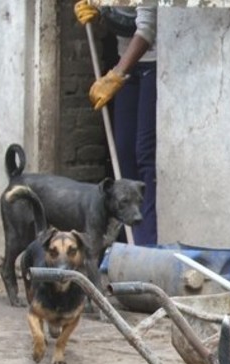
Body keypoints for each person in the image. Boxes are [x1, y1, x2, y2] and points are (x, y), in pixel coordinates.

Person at [74, 0, 158, 246]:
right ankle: (122, 239)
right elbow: (120, 17)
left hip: (155, 62)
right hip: (125, 66)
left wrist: (116, 75)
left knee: (144, 154)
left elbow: (147, 29)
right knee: (122, 152)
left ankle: (146, 242)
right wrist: (98, 11)